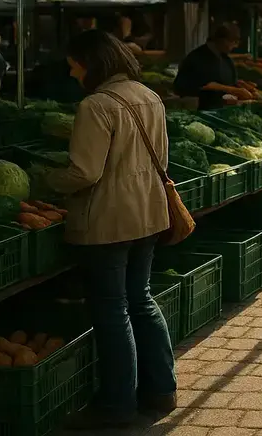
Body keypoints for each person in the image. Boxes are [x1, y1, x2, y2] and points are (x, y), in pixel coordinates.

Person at [46, 30, 176, 428]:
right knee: (141, 299)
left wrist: (48, 180)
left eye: (74, 66)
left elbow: (85, 172)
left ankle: (118, 405)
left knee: (113, 309)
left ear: (91, 63)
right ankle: (161, 390)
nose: (71, 74)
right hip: (150, 214)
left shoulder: (95, 105)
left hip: (110, 220)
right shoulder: (148, 94)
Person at [173, 22, 252, 109]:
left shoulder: (225, 58)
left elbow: (229, 81)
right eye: (233, 42)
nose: (235, 46)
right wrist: (234, 90)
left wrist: (243, 86)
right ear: (222, 40)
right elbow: (207, 84)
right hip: (201, 110)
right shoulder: (197, 57)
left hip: (222, 109)